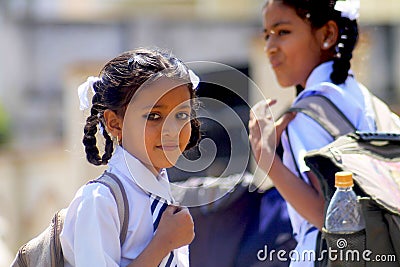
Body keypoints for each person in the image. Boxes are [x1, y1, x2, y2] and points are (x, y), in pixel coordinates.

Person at [248, 0, 393, 266]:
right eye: (267, 35)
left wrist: (265, 156)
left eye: (283, 32)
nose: (270, 47)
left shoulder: (311, 113)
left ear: (327, 34)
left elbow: (325, 215)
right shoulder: (366, 100)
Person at [60, 47, 201, 267]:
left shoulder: (163, 196)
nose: (172, 130)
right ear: (115, 123)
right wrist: (162, 243)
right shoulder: (99, 201)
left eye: (181, 115)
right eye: (154, 116)